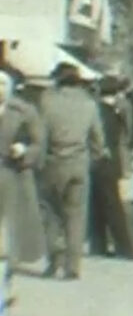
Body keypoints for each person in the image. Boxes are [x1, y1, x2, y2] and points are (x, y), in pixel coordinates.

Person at [38, 63, 107, 280]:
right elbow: (98, 141)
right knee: (76, 216)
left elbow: (40, 137)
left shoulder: (47, 102)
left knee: (50, 214)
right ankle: (73, 266)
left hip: (53, 164)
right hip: (78, 165)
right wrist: (90, 160)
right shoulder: (89, 105)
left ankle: (54, 262)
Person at [0, 68, 46, 309]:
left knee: (8, 239)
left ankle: (6, 283)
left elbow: (39, 143)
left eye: (2, 84)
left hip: (11, 178)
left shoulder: (24, 112)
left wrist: (25, 151)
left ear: (10, 88)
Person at [88, 86, 133, 259]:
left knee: (96, 206)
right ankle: (125, 248)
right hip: (110, 164)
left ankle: (99, 245)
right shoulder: (114, 114)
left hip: (96, 162)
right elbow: (125, 135)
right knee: (113, 207)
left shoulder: (97, 111)